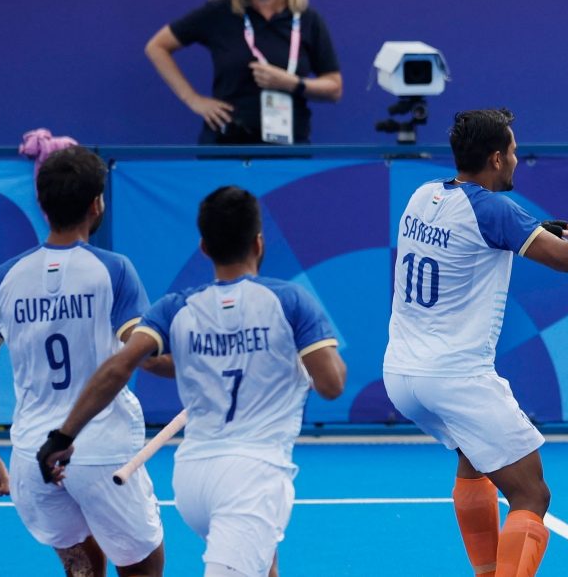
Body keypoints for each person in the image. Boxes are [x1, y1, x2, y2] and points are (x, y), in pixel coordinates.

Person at [382, 108, 568, 577]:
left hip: (401, 375)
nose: (516, 160)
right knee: (531, 494)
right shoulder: (494, 209)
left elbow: (471, 236)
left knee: (473, 461)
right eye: (511, 152)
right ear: (494, 158)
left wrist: (530, 232)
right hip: (456, 377)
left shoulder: (422, 195)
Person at [35, 186, 347, 577]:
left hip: (193, 481)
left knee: (263, 562)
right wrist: (292, 360)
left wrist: (63, 436)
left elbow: (127, 365)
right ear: (259, 243)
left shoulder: (177, 307)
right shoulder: (289, 301)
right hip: (251, 478)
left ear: (203, 246)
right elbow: (332, 384)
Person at [0, 146, 164, 577]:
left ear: (42, 206)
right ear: (96, 204)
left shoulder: (4, 279)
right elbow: (140, 353)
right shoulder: (114, 270)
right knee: (144, 567)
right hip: (104, 453)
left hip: (34, 457)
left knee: (82, 567)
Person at [145, 0, 342, 145]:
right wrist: (194, 100)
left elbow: (334, 87)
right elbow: (157, 47)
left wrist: (293, 83)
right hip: (227, 147)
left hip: (288, 151)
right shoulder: (219, 13)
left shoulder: (305, 18)